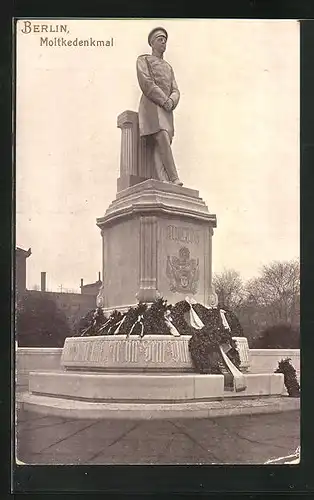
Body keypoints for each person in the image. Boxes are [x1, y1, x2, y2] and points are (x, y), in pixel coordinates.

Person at [136, 27, 183, 186]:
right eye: (160, 39)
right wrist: (164, 100)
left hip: (167, 109)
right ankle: (174, 178)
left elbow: (175, 89)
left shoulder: (169, 67)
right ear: (152, 43)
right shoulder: (144, 60)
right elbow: (146, 83)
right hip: (152, 106)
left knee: (162, 143)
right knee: (161, 136)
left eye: (165, 40)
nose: (163, 42)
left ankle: (163, 180)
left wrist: (172, 100)